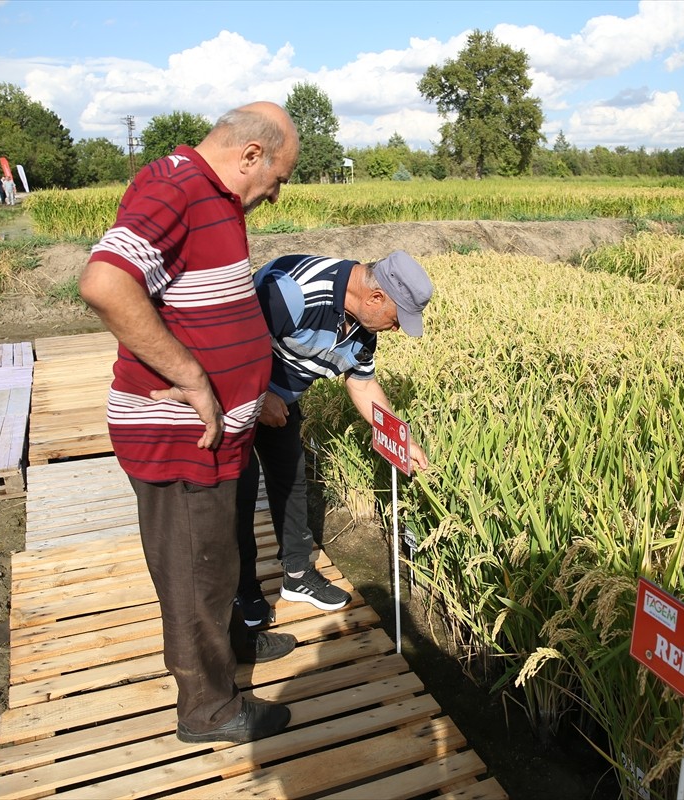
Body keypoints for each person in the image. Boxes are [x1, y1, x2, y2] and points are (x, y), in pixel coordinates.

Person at [78, 101, 301, 746]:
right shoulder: (177, 187)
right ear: (251, 155)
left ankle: (232, 647)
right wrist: (193, 376)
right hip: (177, 434)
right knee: (193, 572)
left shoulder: (214, 195)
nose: (276, 192)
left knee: (217, 555)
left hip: (217, 434)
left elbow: (205, 304)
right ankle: (209, 709)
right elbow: (105, 282)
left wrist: (247, 386)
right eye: (278, 177)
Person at [236, 251, 433, 627]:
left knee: (290, 481)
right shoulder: (293, 291)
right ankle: (242, 592)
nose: (395, 330)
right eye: (396, 319)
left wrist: (399, 435)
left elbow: (362, 383)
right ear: (376, 298)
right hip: (236, 395)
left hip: (282, 401)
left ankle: (297, 576)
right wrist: (260, 397)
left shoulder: (362, 325)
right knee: (238, 497)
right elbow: (230, 347)